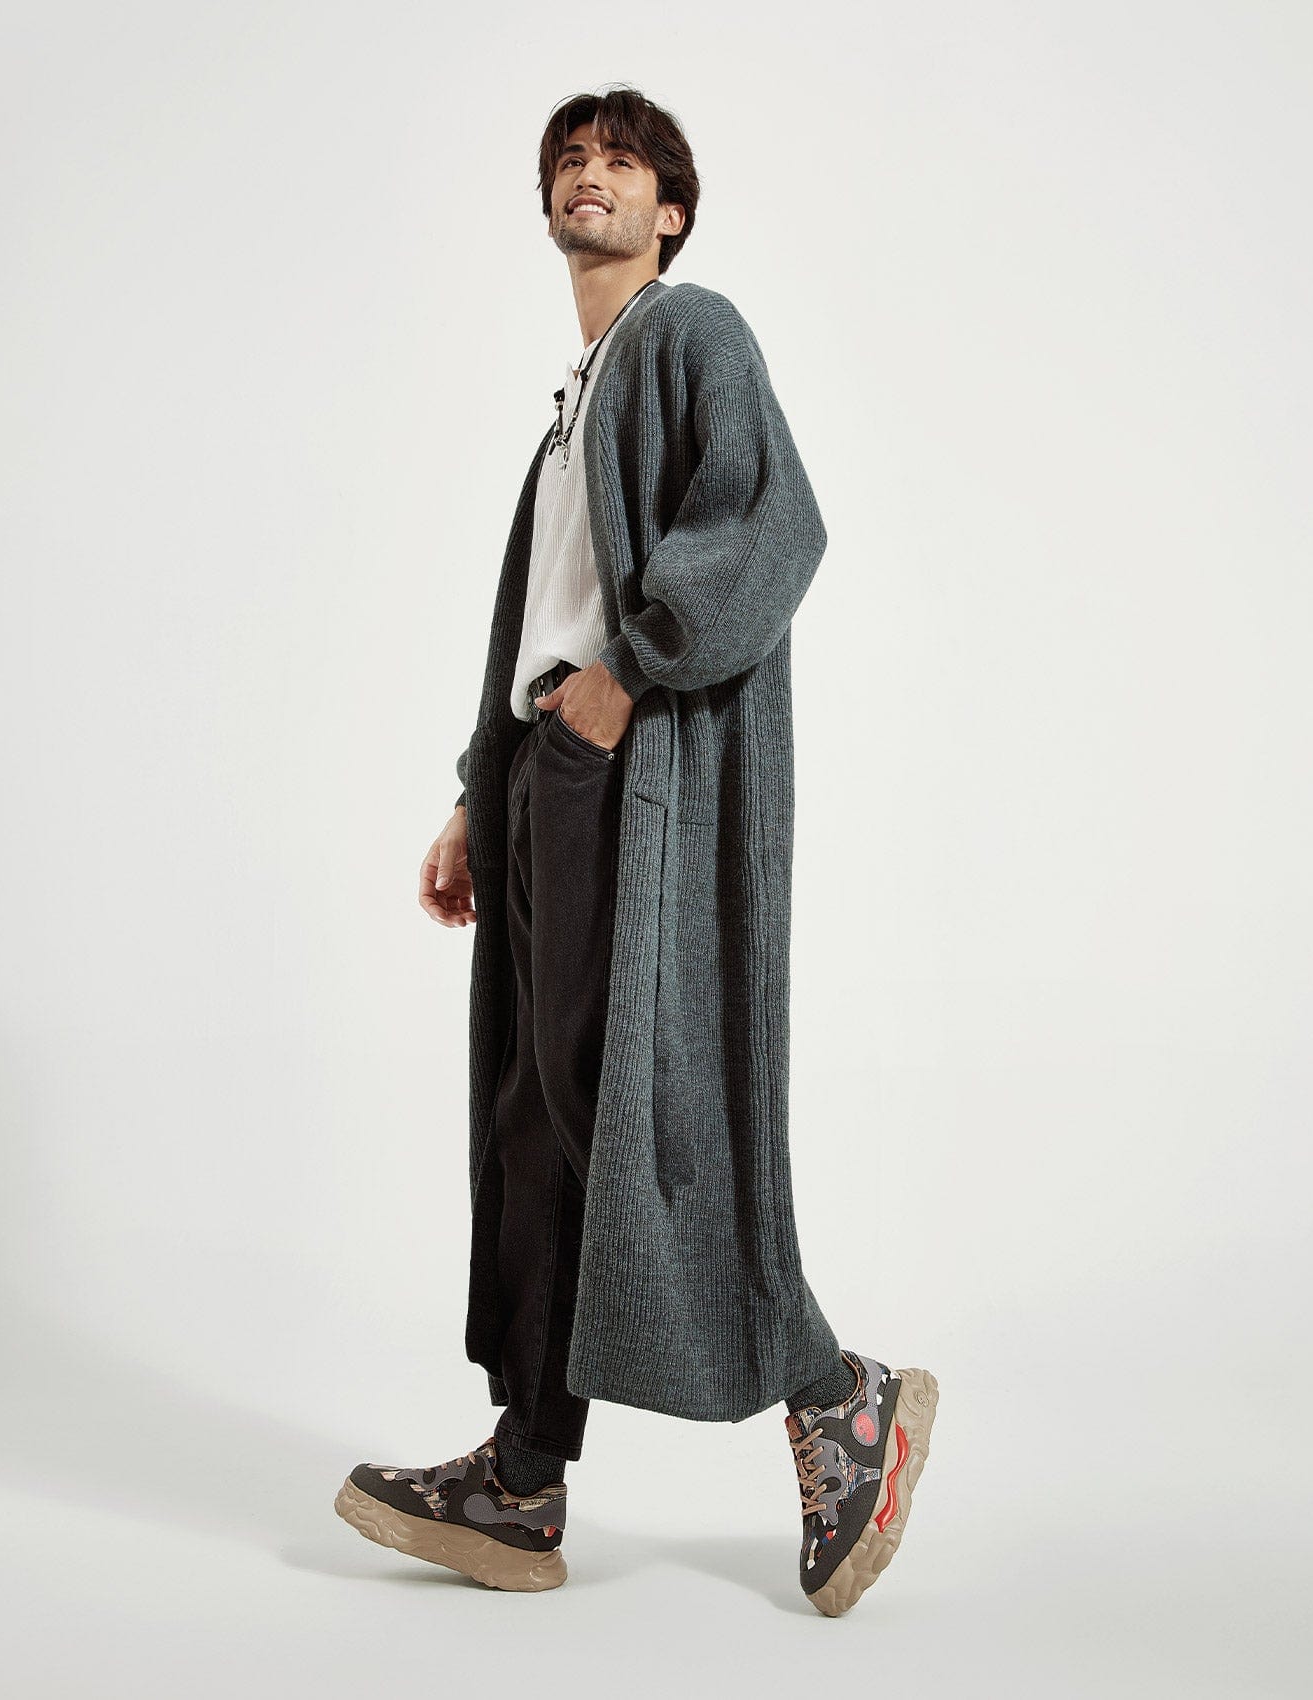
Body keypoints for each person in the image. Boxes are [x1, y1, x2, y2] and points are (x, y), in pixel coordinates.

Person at [334, 85, 938, 1617]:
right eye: (568, 158)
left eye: (619, 160)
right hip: (552, 766)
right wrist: (482, 791)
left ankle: (837, 1393)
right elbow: (544, 620)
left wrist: (627, 680)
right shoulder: (573, 404)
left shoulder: (689, 333)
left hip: (623, 762)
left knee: (631, 1108)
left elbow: (771, 525)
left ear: (669, 211)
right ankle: (522, 1478)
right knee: (540, 1115)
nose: (586, 173)